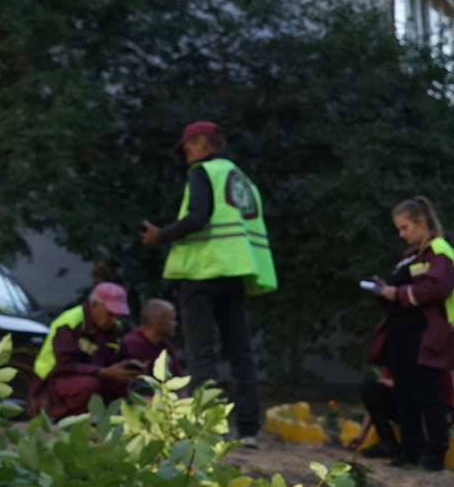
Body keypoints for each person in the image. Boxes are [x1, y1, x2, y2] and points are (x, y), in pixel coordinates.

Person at [141, 120, 277, 446]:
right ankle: (248, 431)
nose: (186, 155)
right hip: (235, 271)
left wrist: (160, 235)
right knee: (241, 353)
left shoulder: (203, 172)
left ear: (202, 143)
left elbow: (197, 218)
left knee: (201, 353)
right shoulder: (240, 177)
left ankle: (207, 429)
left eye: (187, 147)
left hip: (203, 272)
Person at [364, 196, 454, 471]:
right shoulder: (412, 255)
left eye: (405, 227)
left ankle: (434, 455)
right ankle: (408, 452)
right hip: (401, 332)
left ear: (421, 222)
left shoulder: (439, 251)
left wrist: (396, 293)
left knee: (427, 394)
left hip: (425, 335)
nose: (402, 234)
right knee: (405, 394)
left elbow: (437, 287)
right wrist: (384, 291)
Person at [30, 282, 143, 421]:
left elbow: (120, 358)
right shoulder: (70, 322)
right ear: (94, 304)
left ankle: (105, 420)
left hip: (92, 378)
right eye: (111, 314)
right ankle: (69, 420)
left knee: (122, 381)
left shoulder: (115, 328)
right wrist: (104, 372)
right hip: (51, 383)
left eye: (118, 315)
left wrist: (129, 366)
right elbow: (66, 365)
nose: (114, 320)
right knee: (88, 384)